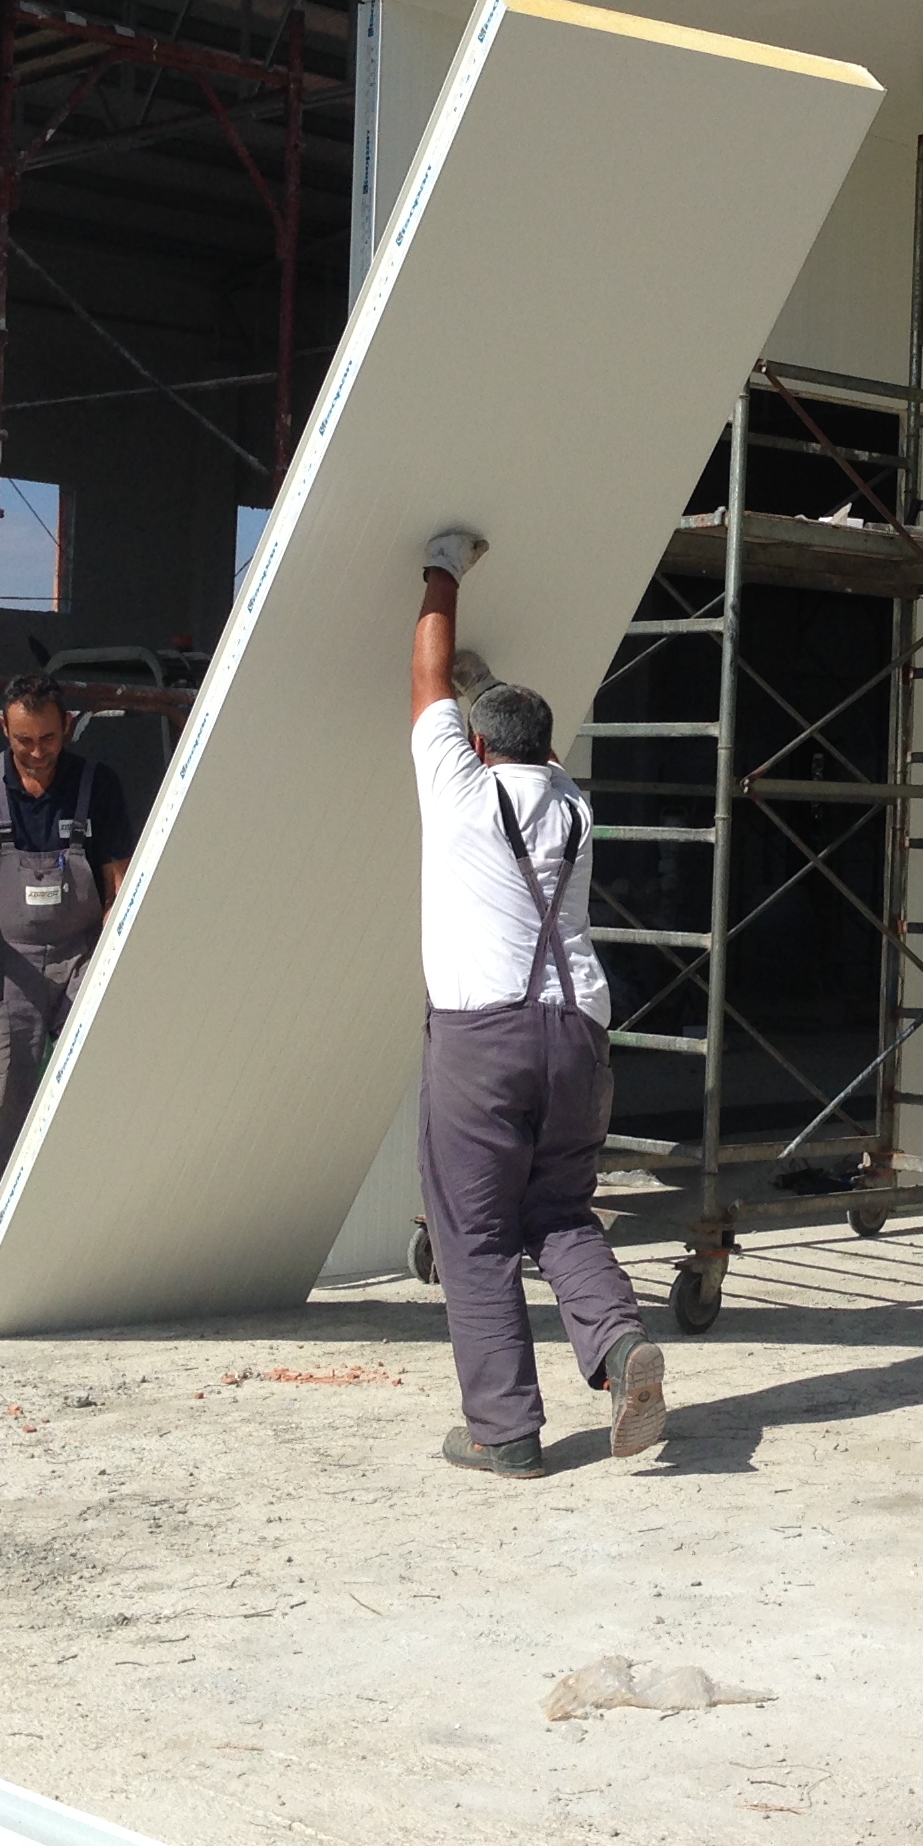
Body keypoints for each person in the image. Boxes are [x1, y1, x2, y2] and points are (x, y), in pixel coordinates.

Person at [410, 529, 667, 1478]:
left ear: (477, 747)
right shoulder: (573, 804)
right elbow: (528, 745)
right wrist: (490, 692)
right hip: (579, 1035)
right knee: (559, 1211)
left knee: (473, 1233)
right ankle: (619, 1347)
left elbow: (426, 681)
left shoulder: (458, 791)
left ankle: (505, 1432)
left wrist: (442, 572)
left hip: (483, 1039)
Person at [0, 673, 134, 1243]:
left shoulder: (96, 785)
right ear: (4, 730)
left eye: (49, 739)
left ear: (68, 727)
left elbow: (119, 878)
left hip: (81, 956)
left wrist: (117, 932)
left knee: (103, 1079)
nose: (37, 753)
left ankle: (87, 1237)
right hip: (4, 963)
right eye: (24, 741)